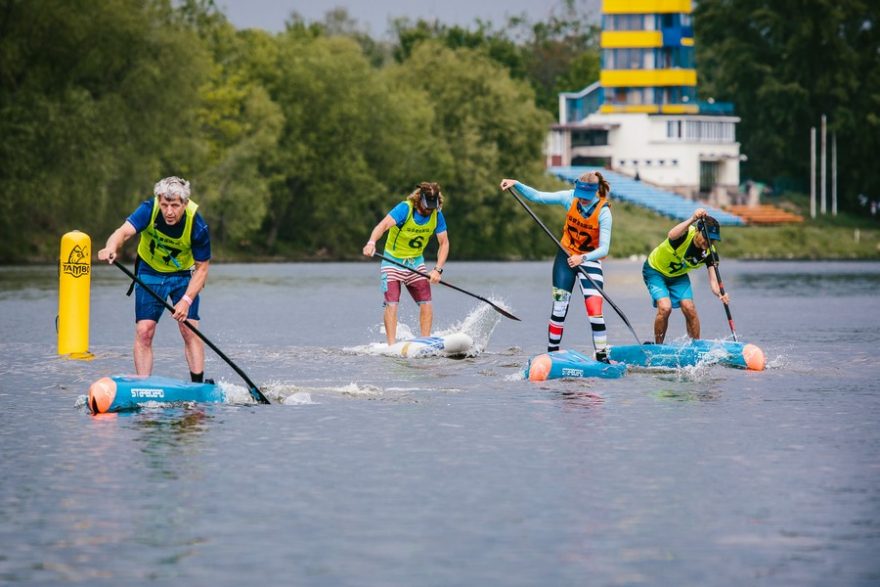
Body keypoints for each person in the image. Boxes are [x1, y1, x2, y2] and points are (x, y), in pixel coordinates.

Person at [97, 176, 212, 381]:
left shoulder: (197, 224)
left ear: (185, 204)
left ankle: (198, 386)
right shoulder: (148, 209)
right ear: (159, 200)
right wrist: (110, 247)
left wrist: (186, 301)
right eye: (165, 204)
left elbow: (202, 269)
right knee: (144, 330)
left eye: (175, 206)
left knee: (189, 330)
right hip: (150, 272)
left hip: (183, 275)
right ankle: (144, 385)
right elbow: (122, 233)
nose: (169, 211)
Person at [499, 172, 613, 360]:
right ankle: (552, 354)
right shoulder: (569, 197)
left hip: (589, 261)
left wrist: (582, 258)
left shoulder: (604, 212)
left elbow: (604, 249)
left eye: (586, 198)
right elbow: (537, 196)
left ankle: (601, 357)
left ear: (594, 192)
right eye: (580, 196)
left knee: (595, 311)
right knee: (559, 308)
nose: (582, 200)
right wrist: (517, 183)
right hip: (565, 260)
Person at [362, 182, 449, 346]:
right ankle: (391, 345)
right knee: (392, 303)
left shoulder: (437, 215)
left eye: (433, 206)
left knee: (426, 302)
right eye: (427, 205)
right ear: (419, 198)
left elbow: (444, 243)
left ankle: (425, 342)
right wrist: (371, 243)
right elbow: (383, 226)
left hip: (415, 263)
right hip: (392, 261)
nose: (429, 210)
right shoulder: (405, 209)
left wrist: (438, 270)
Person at [642, 208, 728, 343]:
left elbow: (714, 282)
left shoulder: (710, 253)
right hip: (655, 271)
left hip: (678, 277)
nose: (709, 243)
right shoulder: (685, 234)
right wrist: (693, 218)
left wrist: (720, 293)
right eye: (707, 238)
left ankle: (697, 347)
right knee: (665, 308)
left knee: (689, 307)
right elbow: (671, 234)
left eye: (713, 240)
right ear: (698, 231)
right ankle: (658, 348)